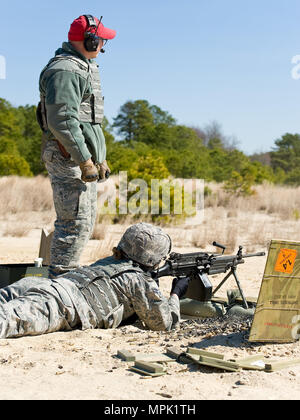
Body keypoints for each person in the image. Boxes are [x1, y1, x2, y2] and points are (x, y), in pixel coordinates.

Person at [0, 223, 189, 339]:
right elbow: (164, 323)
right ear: (151, 258)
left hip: (45, 284)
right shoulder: (139, 281)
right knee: (6, 321)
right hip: (60, 304)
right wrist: (175, 294)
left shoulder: (108, 260)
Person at [37, 15, 116, 278]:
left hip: (76, 157)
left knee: (82, 223)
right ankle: (59, 286)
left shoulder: (81, 67)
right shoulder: (66, 70)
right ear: (90, 40)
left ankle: (63, 282)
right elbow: (63, 121)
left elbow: (86, 120)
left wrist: (98, 158)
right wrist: (84, 159)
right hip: (68, 155)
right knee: (74, 225)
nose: (103, 44)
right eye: (101, 39)